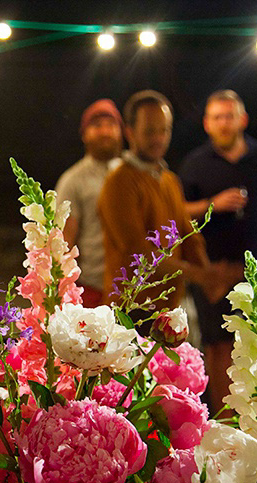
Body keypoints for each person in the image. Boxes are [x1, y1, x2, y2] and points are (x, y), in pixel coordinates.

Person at [179, 90, 257, 412]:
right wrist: (213, 204)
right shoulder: (195, 164)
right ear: (207, 124)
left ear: (242, 119)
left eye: (229, 116)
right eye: (217, 117)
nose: (224, 123)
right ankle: (225, 423)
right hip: (213, 273)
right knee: (219, 348)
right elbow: (177, 213)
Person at [98, 90, 230, 322]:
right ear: (130, 132)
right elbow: (139, 254)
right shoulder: (119, 182)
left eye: (165, 130)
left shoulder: (169, 179)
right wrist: (198, 274)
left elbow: (188, 234)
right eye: (150, 131)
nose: (159, 138)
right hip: (130, 312)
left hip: (168, 312)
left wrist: (208, 274)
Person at [55, 99, 124, 307]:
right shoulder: (73, 180)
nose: (105, 132)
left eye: (111, 125)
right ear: (84, 134)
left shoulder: (131, 174)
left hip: (133, 287)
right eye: (97, 126)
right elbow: (64, 242)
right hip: (92, 288)